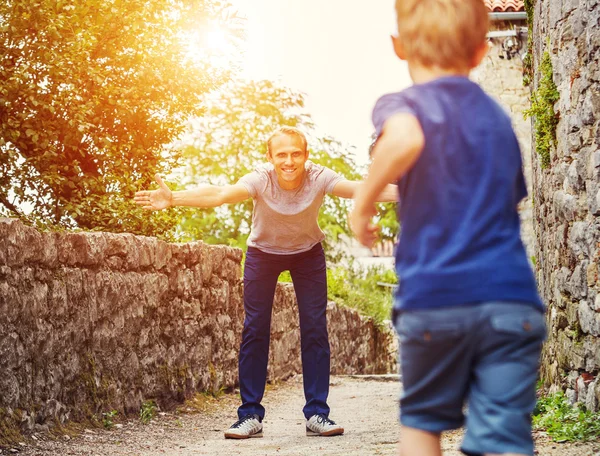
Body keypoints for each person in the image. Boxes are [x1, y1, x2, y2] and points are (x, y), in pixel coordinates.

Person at [350, 1, 546, 455]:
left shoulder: (401, 105)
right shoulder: (499, 121)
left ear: (399, 47)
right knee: (502, 438)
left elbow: (404, 138)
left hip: (434, 301)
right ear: (480, 52)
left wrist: (360, 207)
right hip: (510, 302)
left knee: (421, 422)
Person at [134, 126, 397, 439]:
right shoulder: (261, 178)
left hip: (307, 254)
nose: (289, 161)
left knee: (315, 328)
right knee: (255, 328)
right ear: (270, 157)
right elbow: (220, 194)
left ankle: (317, 413)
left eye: (296, 153)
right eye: (282, 154)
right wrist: (174, 197)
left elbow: (364, 188)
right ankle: (249, 416)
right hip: (263, 254)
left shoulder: (319, 177)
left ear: (306, 156)